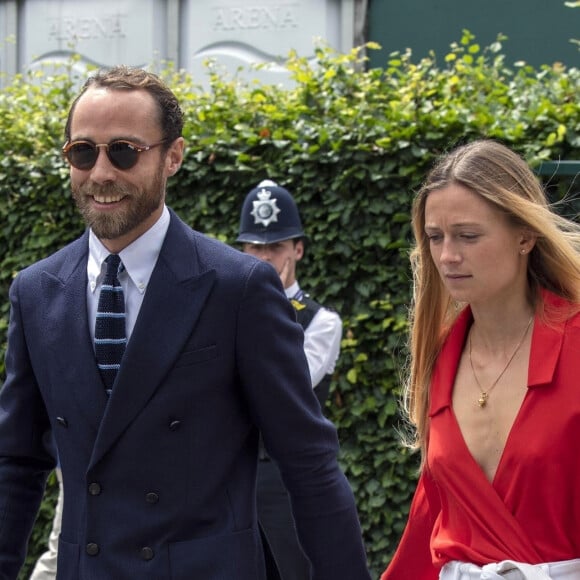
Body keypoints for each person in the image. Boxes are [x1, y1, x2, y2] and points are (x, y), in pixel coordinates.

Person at [0, 65, 371, 580]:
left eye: (124, 151)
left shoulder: (238, 288)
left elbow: (307, 463)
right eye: (83, 152)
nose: (101, 173)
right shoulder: (35, 291)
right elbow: (15, 464)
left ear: (172, 156)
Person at [381, 139, 580, 580]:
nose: (448, 256)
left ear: (525, 235)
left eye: (468, 236)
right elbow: (433, 512)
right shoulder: (438, 356)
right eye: (435, 237)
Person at [237, 180, 343, 580]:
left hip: (287, 480)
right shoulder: (224, 310)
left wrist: (266, 304)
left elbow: (286, 381)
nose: (264, 258)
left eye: (275, 247)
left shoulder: (322, 322)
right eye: (255, 248)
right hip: (230, 474)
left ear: (297, 249)